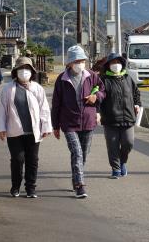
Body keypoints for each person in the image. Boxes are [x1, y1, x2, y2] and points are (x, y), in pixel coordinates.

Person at [51, 45, 105, 198]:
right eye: (77, 60)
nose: (80, 63)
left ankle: (75, 178)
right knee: (77, 152)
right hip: (69, 123)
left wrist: (96, 97)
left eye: (82, 60)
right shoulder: (62, 80)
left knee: (83, 154)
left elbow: (102, 90)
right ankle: (80, 185)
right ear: (69, 63)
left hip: (88, 121)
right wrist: (55, 126)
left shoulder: (92, 75)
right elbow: (56, 104)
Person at [0, 57, 52, 198]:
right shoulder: (8, 89)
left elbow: (44, 109)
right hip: (14, 131)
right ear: (16, 72)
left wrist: (46, 127)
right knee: (18, 159)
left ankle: (31, 188)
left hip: (33, 132)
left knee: (32, 160)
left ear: (32, 72)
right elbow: (2, 110)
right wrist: (1, 128)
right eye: (21, 69)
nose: (24, 72)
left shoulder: (37, 88)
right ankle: (15, 186)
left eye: (27, 69)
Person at [100, 53, 141, 179]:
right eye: (113, 63)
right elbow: (99, 96)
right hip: (110, 119)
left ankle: (123, 162)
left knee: (128, 143)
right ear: (108, 65)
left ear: (122, 64)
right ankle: (116, 168)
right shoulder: (103, 80)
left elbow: (136, 93)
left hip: (128, 117)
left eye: (118, 62)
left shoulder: (128, 78)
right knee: (112, 145)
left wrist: (137, 104)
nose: (116, 65)